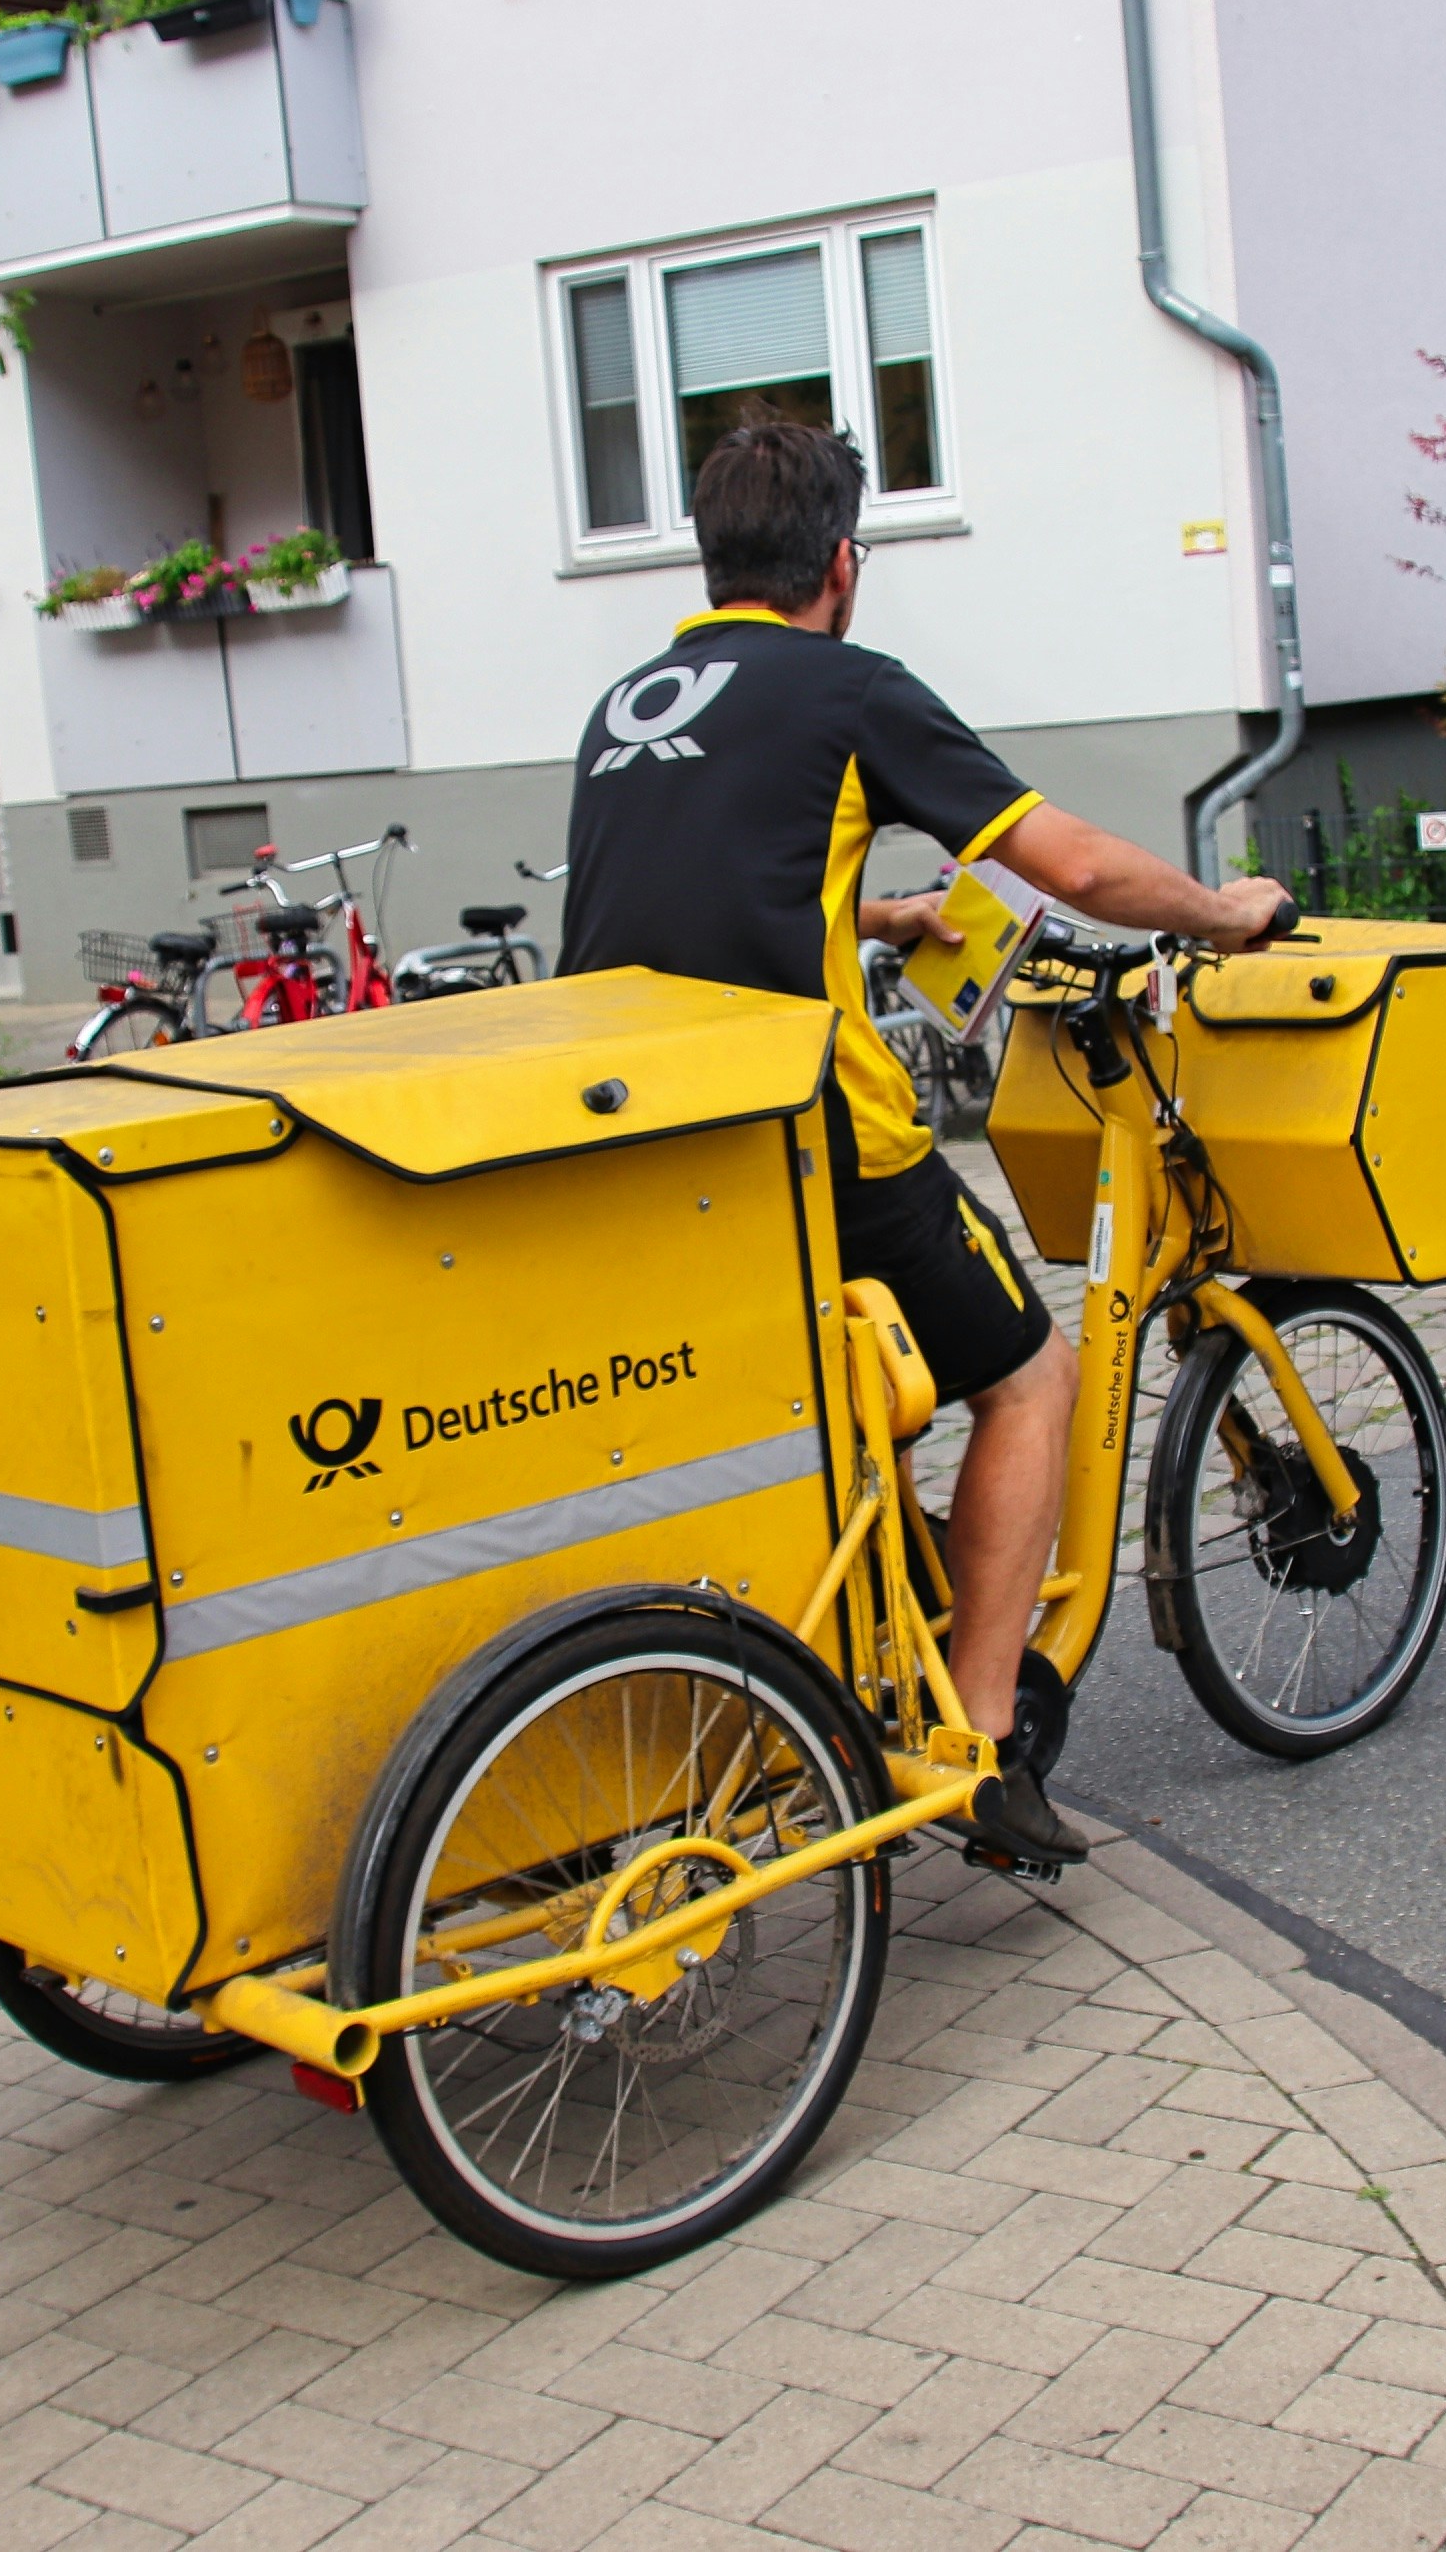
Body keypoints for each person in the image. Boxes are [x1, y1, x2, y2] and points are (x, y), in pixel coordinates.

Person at [560, 422, 1289, 1868]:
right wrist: (1225, 911)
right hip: (812, 1137)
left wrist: (881, 915)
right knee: (1031, 1377)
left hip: (649, 1145)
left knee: (846, 1398)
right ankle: (985, 1742)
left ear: (709, 558)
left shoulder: (624, 706)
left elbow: (704, 898)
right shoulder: (848, 689)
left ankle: (892, 1643)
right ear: (841, 562)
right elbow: (1076, 867)